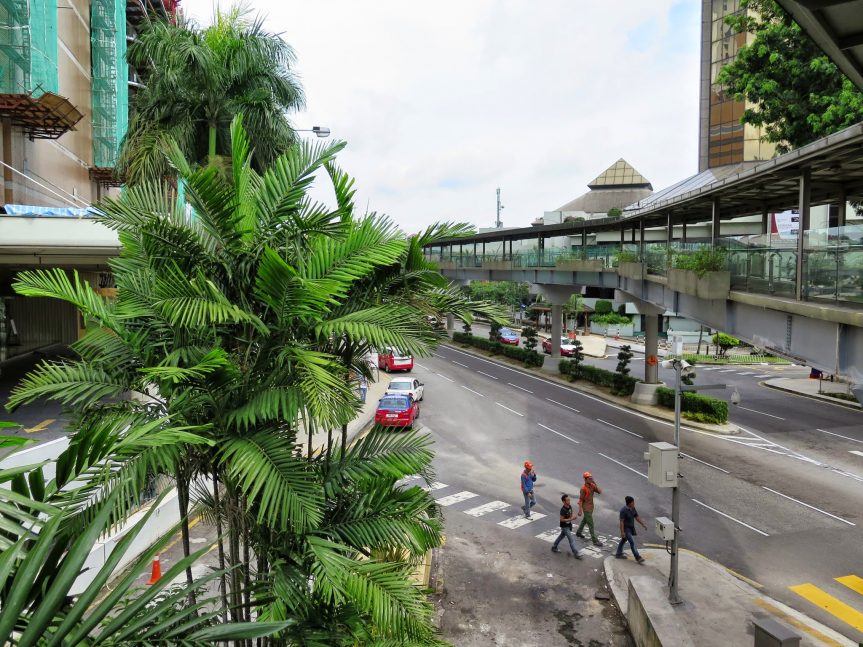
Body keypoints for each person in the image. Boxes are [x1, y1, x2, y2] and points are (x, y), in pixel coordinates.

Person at [616, 495, 648, 563]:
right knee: (632, 542)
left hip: (631, 528)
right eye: (633, 502)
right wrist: (622, 532)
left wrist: (643, 524)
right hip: (626, 529)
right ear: (629, 503)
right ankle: (638, 557)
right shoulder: (623, 510)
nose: (634, 503)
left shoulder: (633, 508)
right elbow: (621, 522)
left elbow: (636, 517)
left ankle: (618, 554)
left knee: (624, 540)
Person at [551, 493, 582, 559]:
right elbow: (561, 520)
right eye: (567, 500)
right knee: (571, 540)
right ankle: (576, 553)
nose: (569, 501)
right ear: (564, 501)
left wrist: (573, 516)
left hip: (568, 525)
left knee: (561, 536)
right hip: (564, 526)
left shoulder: (569, 506)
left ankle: (554, 547)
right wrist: (571, 518)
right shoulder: (563, 510)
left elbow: (571, 513)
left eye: (569, 500)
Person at [576, 471, 603, 546]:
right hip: (586, 508)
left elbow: (600, 492)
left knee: (585, 520)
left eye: (591, 478)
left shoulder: (592, 485)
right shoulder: (583, 489)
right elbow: (581, 500)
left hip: (591, 507)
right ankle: (595, 541)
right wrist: (580, 510)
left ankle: (578, 532)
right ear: (585, 479)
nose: (591, 479)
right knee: (591, 524)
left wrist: (594, 483)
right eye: (589, 478)